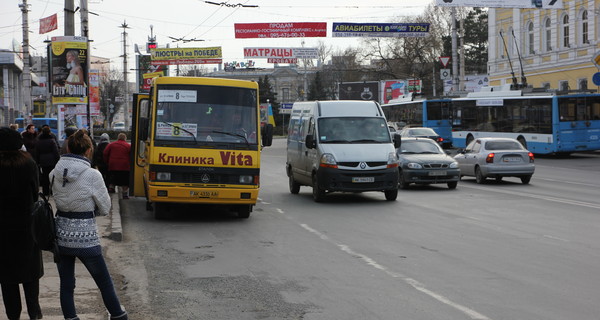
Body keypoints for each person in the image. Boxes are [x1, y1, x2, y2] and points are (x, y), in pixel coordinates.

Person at [50, 129, 128, 320]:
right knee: (104, 282)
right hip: (86, 237)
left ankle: (71, 318)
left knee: (66, 285)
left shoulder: (54, 172)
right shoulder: (93, 175)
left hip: (61, 234)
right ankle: (118, 316)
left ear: (69, 147)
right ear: (88, 150)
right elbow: (105, 207)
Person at [0, 127, 44, 320]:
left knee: (7, 278)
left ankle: (13, 316)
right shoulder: (29, 163)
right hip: (27, 226)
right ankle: (34, 313)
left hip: (2, 230)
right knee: (30, 274)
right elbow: (35, 193)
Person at [103, 133, 131, 199]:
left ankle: (111, 188)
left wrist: (107, 162)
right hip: (125, 166)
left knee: (112, 178)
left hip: (113, 165)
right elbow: (131, 156)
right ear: (125, 139)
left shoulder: (111, 144)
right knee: (125, 180)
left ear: (118, 138)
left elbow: (105, 153)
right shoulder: (128, 146)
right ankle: (125, 193)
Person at [34, 126, 61, 196]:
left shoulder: (39, 141)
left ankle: (45, 191)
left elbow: (37, 152)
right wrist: (58, 160)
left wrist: (38, 161)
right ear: (49, 132)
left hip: (43, 160)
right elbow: (56, 151)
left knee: (45, 176)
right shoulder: (51, 140)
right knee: (52, 176)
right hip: (52, 160)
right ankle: (51, 191)